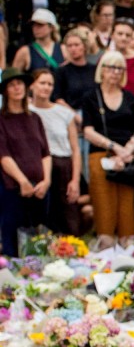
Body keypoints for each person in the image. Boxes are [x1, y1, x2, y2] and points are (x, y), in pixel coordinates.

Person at [82, 51, 134, 249]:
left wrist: (126, 152)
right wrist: (114, 148)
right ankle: (105, 251)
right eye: (110, 67)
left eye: (119, 68)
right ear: (102, 70)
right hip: (101, 155)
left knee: (126, 210)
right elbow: (88, 131)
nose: (115, 73)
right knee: (104, 209)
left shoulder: (129, 97)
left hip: (126, 159)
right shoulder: (91, 96)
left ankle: (128, 253)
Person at [0, 68, 50, 256]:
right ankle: (13, 274)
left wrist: (46, 181)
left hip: (40, 186)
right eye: (11, 85)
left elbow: (45, 152)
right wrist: (22, 181)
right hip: (13, 186)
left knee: (38, 233)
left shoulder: (34, 118)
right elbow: (3, 155)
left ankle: (36, 272)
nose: (17, 88)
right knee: (12, 230)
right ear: (5, 91)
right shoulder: (2, 120)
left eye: (19, 83)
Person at [29, 69, 83, 236]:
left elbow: (75, 149)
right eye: (42, 83)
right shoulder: (26, 111)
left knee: (67, 216)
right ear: (32, 85)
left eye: (50, 84)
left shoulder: (63, 112)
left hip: (63, 164)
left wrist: (75, 180)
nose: (46, 87)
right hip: (37, 166)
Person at [52, 29, 97, 110]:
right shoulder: (61, 71)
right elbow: (58, 98)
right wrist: (73, 115)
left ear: (84, 46)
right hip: (70, 114)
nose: (73, 48)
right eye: (69, 45)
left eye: (76, 45)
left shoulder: (94, 69)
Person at [11, 9, 62, 73]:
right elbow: (14, 78)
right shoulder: (24, 52)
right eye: (33, 25)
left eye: (40, 25)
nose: (35, 28)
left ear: (51, 27)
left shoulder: (63, 50)